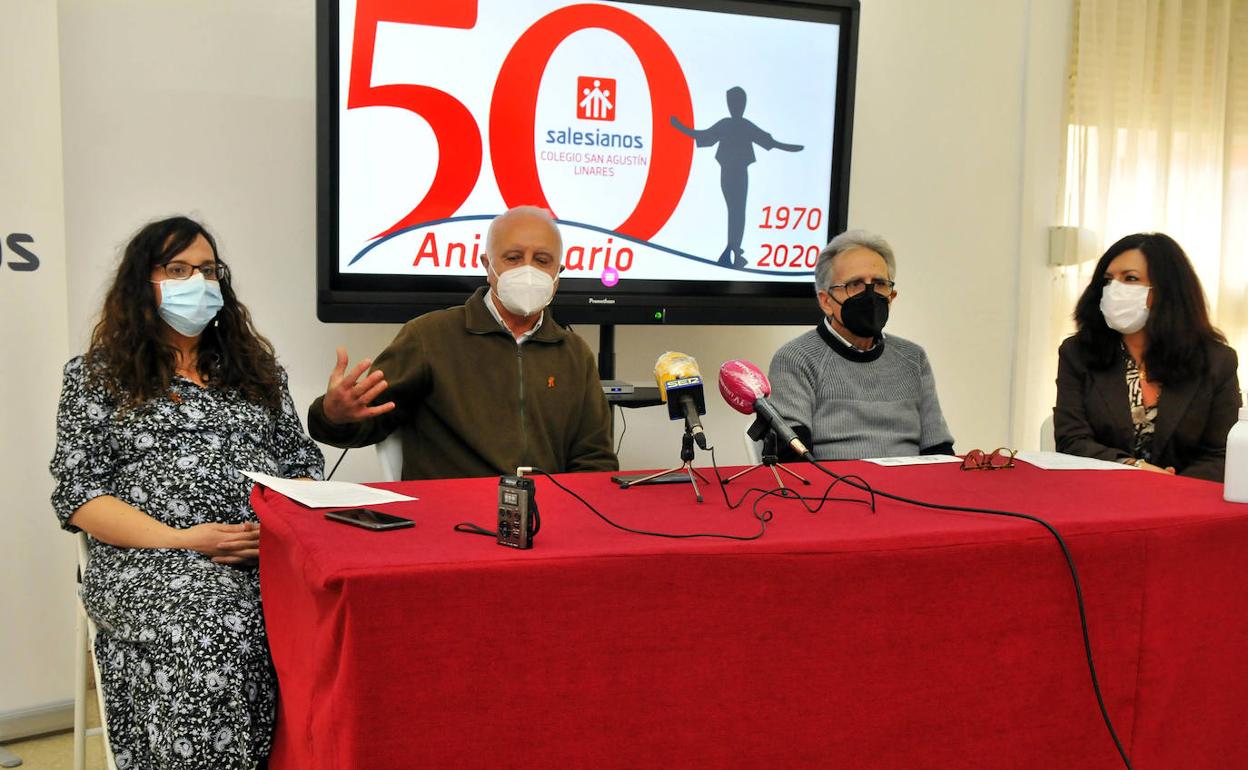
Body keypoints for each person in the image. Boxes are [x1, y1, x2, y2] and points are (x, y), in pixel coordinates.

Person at [49, 216, 325, 769]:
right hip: (148, 561)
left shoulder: (257, 373)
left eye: (207, 269)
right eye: (177, 269)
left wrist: (272, 527)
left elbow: (302, 467)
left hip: (261, 554)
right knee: (212, 622)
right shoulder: (97, 376)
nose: (197, 281)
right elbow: (80, 495)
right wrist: (183, 540)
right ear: (141, 284)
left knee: (338, 608)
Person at [308, 206, 618, 479]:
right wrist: (332, 415)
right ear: (488, 265)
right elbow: (368, 420)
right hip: (450, 524)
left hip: (545, 523)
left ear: (558, 273)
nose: (528, 270)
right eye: (513, 258)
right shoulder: (429, 337)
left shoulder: (574, 354)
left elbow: (595, 459)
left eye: (542, 260)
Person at [1055, 232, 1240, 480]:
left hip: (1188, 501)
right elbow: (1071, 440)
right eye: (1108, 280)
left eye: (1130, 278)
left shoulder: (1217, 360)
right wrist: (1134, 467)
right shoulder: (1077, 352)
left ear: (1167, 290)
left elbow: (1223, 453)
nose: (1114, 290)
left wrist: (1173, 487)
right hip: (1102, 492)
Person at [768, 229, 954, 460]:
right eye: (854, 284)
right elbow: (792, 455)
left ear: (891, 296)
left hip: (911, 490)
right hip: (838, 491)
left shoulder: (913, 357)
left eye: (878, 284)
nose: (869, 294)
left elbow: (939, 450)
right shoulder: (796, 358)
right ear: (826, 301)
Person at [670, 86, 803, 268]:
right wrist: (679, 127)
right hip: (729, 173)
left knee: (738, 211)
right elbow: (702, 135)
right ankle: (733, 251)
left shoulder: (744, 125)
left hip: (740, 172)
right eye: (733, 102)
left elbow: (768, 141)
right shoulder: (727, 124)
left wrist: (789, 147)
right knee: (736, 210)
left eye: (739, 102)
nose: (736, 106)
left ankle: (733, 251)